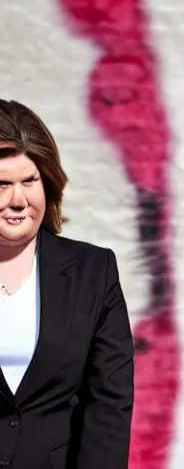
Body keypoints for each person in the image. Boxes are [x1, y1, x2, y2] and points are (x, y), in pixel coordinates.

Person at [0, 100, 134, 468]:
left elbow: (109, 402)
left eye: (30, 181)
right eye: (2, 184)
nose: (18, 200)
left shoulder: (94, 271)